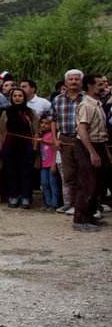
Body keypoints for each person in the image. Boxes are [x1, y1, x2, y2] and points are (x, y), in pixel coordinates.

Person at [71, 73, 111, 231]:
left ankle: (90, 215)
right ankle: (80, 219)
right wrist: (92, 152)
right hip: (87, 145)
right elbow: (82, 130)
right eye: (100, 84)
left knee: (98, 183)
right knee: (87, 183)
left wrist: (105, 152)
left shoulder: (97, 104)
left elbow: (102, 132)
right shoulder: (86, 105)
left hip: (99, 144)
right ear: (90, 86)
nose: (103, 87)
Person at [0, 87, 39, 209]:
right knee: (11, 173)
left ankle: (26, 197)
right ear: (11, 98)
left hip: (26, 147)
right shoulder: (6, 113)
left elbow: (36, 131)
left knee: (26, 173)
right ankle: (14, 196)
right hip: (9, 147)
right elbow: (2, 131)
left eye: (20, 96)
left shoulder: (30, 113)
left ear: (24, 98)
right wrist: (1, 148)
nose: (17, 98)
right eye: (15, 96)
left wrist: (35, 146)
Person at [52, 69, 85, 213]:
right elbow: (52, 120)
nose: (73, 82)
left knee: (84, 173)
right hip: (64, 139)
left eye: (76, 79)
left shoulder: (86, 99)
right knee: (68, 174)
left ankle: (84, 205)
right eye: (70, 79)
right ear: (66, 82)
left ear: (81, 82)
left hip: (82, 140)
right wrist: (55, 139)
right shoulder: (58, 99)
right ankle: (71, 203)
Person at [38, 116, 62, 211]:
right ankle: (48, 202)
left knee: (53, 184)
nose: (44, 125)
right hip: (43, 165)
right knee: (44, 183)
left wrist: (53, 164)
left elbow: (54, 147)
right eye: (42, 123)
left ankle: (55, 203)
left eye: (47, 123)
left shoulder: (53, 136)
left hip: (51, 164)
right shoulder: (41, 135)